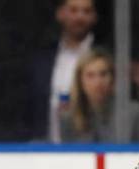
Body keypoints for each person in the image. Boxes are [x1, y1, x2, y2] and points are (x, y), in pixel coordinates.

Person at [29, 0, 99, 143]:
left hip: (91, 148)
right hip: (45, 148)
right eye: (73, 10)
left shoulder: (104, 55)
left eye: (86, 11)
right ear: (60, 14)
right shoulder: (43, 58)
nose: (80, 17)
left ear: (94, 17)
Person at [59, 49, 139, 143]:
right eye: (90, 75)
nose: (98, 82)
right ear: (80, 81)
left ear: (113, 78)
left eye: (103, 74)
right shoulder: (69, 117)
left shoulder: (134, 112)